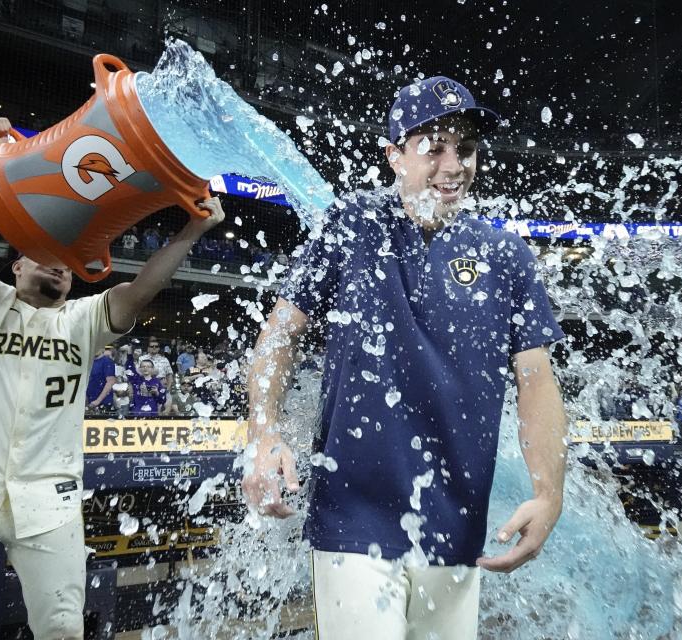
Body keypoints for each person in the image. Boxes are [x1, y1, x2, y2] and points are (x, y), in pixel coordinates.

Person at [241, 76, 567, 639]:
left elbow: (536, 380)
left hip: (458, 524)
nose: (453, 164)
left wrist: (548, 494)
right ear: (394, 155)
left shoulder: (505, 255)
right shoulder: (352, 228)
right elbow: (279, 336)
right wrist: (263, 432)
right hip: (353, 516)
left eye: (464, 148)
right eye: (433, 146)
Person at [0, 116, 224, 639]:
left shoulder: (81, 321)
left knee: (63, 631)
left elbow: (141, 289)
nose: (58, 264)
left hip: (51, 499)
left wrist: (193, 229)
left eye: (67, 259)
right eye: (43, 255)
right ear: (15, 266)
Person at [86, 345, 117, 414]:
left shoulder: (107, 361)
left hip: (103, 403)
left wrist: (97, 401)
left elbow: (110, 382)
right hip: (89, 402)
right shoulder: (88, 362)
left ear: (103, 348)